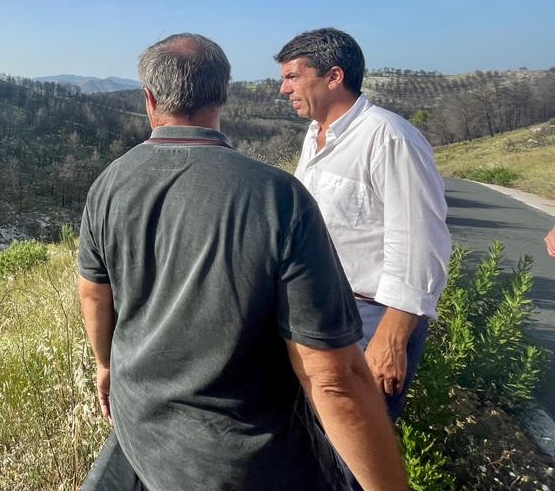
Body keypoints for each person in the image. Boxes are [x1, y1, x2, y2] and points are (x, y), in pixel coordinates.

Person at [78, 33, 408, 491]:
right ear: (223, 95)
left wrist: (105, 365)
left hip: (143, 435)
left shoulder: (108, 184)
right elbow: (332, 378)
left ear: (150, 99)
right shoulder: (278, 197)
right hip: (243, 459)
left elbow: (94, 292)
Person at [275, 27, 451, 425]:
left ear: (333, 77)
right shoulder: (314, 136)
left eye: (292, 76)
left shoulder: (388, 137)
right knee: (319, 436)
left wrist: (392, 336)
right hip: (321, 309)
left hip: (369, 318)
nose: (283, 89)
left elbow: (421, 242)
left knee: (356, 441)